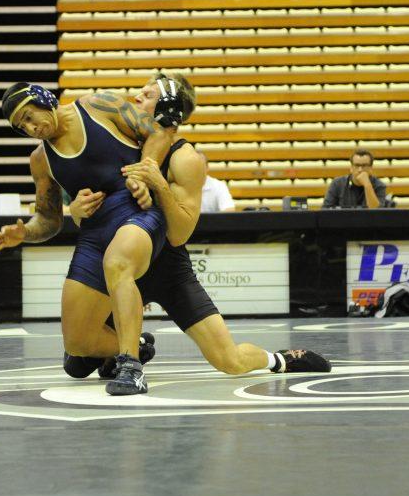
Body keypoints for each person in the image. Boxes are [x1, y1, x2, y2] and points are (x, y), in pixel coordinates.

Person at [65, 76, 331, 382]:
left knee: (228, 360)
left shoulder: (185, 159)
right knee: (76, 362)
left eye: (147, 95)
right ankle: (135, 345)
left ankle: (279, 360)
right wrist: (75, 210)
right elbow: (90, 209)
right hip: (119, 261)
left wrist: (159, 184)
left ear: (167, 109)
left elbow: (179, 234)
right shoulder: (115, 140)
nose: (136, 98)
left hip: (166, 265)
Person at [0, 77, 179, 396]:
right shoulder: (40, 160)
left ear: (43, 99)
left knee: (118, 263)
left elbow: (158, 131)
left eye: (29, 116)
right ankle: (137, 344)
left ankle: (131, 367)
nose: (31, 128)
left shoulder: (98, 105)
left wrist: (145, 171)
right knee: (76, 344)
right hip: (95, 230)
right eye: (22, 126)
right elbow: (48, 220)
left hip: (136, 208)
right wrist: (25, 232)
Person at [322, 148, 396, 209]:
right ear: (351, 168)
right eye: (357, 165)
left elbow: (377, 213)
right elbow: (325, 211)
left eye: (364, 166)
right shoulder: (337, 184)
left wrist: (367, 185)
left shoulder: (379, 186)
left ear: (371, 168)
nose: (360, 170)